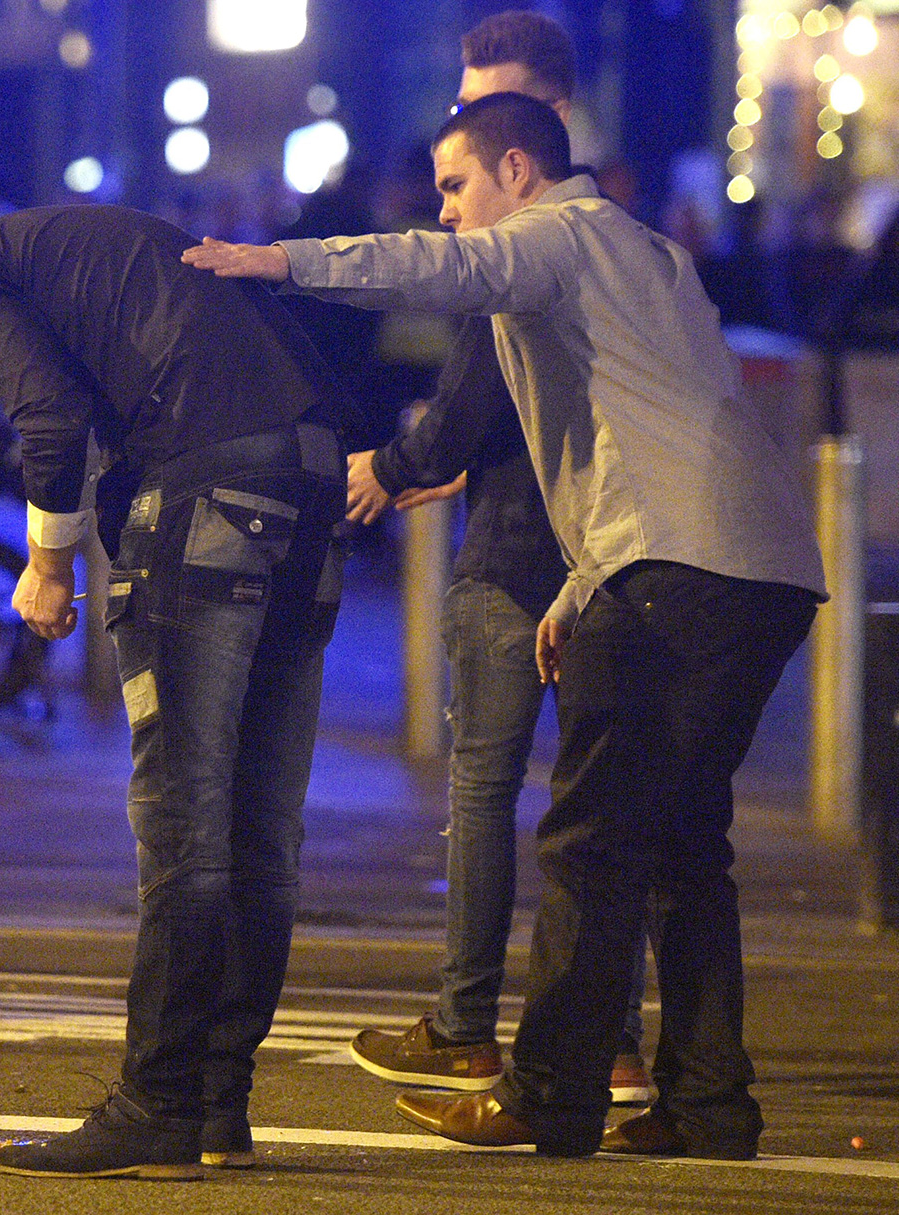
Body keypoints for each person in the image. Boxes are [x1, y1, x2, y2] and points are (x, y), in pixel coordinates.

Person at [185, 92, 825, 1160]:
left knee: (588, 841)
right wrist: (579, 589)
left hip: (673, 571)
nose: (444, 213)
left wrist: (279, 263)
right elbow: (643, 437)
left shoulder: (555, 238)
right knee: (681, 850)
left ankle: (549, 1094)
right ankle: (710, 1106)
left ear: (517, 170)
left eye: (454, 185)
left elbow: (443, 275)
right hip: (759, 575)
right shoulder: (648, 251)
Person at [0, 204, 348, 1179]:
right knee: (260, 828)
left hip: (204, 490)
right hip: (306, 480)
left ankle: (157, 1102)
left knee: (184, 827)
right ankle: (217, 1102)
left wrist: (47, 564)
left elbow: (50, 417)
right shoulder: (69, 260)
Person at [343, 9, 650, 1107]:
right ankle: (609, 1037)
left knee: (487, 792)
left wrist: (396, 460)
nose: (464, 129)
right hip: (612, 555)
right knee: (603, 807)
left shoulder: (522, 245)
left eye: (482, 107)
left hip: (530, 549)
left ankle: (468, 1023)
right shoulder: (624, 236)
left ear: (538, 127)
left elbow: (472, 397)